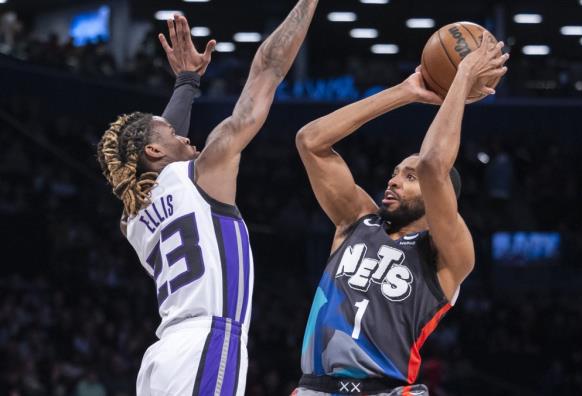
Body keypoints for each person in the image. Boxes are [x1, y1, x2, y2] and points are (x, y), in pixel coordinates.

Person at [96, 1, 320, 394]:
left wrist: (186, 82)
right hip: (207, 341)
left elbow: (161, 157)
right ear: (153, 151)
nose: (184, 134)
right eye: (171, 131)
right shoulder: (202, 173)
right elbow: (268, 68)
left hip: (165, 356)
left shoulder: (133, 216)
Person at [294, 33, 508, 395]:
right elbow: (310, 141)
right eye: (394, 173)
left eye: (408, 178)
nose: (393, 182)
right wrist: (404, 92)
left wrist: (463, 75)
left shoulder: (447, 254)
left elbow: (432, 164)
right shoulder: (357, 221)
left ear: (441, 197)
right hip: (315, 388)